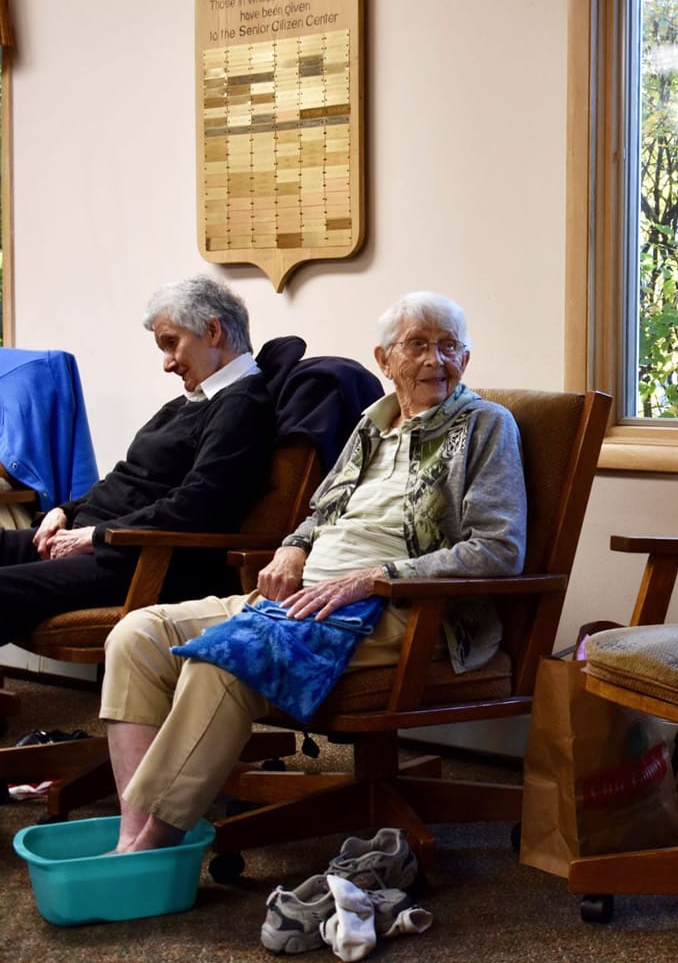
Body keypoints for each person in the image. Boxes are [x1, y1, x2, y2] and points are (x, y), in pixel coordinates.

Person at [100, 291, 527, 854]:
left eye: (449, 347)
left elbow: (498, 550)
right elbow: (319, 514)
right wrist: (292, 551)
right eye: (417, 345)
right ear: (385, 359)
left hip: (398, 608)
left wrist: (375, 576)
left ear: (465, 361)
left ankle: (152, 847)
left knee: (228, 660)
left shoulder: (486, 427)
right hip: (303, 595)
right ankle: (132, 832)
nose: (435, 360)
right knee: (136, 635)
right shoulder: (370, 426)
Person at [0, 276, 274, 644]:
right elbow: (127, 480)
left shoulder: (241, 404)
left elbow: (199, 505)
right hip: (96, 536)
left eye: (171, 344)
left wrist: (95, 536)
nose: (167, 363)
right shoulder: (192, 401)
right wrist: (65, 510)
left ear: (212, 331)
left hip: (134, 558)